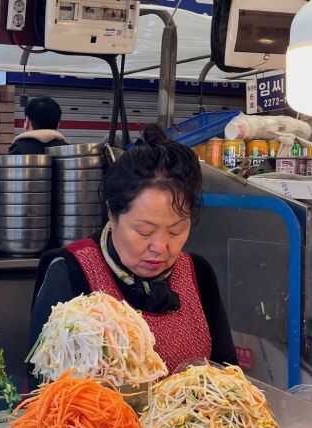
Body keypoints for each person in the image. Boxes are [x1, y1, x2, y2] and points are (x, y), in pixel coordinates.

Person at [29, 124, 236, 372]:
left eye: (175, 231)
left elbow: (228, 373)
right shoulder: (72, 271)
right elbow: (42, 383)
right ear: (112, 214)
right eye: (144, 232)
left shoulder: (198, 273)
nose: (160, 247)